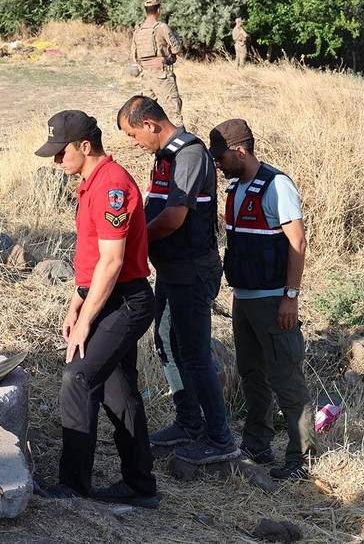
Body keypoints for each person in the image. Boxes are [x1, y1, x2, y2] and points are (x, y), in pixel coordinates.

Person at [31, 111, 157, 508]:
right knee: (119, 393)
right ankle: (139, 484)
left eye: (60, 152)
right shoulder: (91, 183)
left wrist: (87, 321)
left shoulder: (111, 186)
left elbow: (113, 261)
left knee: (78, 378)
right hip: (106, 297)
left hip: (126, 300)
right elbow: (91, 260)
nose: (56, 161)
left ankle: (73, 485)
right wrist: (77, 303)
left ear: (85, 146)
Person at [117, 96, 239, 465]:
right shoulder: (165, 155)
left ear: (151, 124)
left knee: (195, 352)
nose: (134, 143)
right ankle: (188, 422)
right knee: (167, 344)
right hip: (171, 269)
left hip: (191, 269)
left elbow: (173, 218)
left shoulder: (188, 154)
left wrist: (133, 242)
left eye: (134, 134)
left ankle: (220, 438)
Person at [209, 119, 314, 480]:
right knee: (252, 374)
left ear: (241, 151)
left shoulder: (277, 185)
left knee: (285, 377)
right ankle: (257, 444)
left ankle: (301, 458)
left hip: (273, 300)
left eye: (221, 156)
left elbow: (297, 243)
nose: (217, 164)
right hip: (244, 298)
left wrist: (291, 297)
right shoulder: (236, 188)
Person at [130, 0, 184, 125]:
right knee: (173, 111)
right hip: (162, 75)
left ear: (145, 11)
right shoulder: (162, 27)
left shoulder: (138, 30)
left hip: (146, 77)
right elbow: (176, 49)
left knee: (147, 112)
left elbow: (134, 56)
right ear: (158, 10)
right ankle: (181, 142)